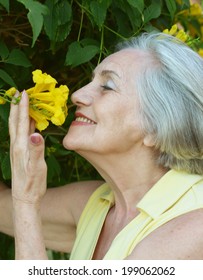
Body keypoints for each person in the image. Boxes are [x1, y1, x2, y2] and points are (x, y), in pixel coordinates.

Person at [1, 32, 203, 260]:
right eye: (91, 81)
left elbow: (21, 211)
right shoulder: (97, 204)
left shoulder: (194, 227)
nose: (77, 95)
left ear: (157, 127)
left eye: (107, 86)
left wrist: (26, 200)